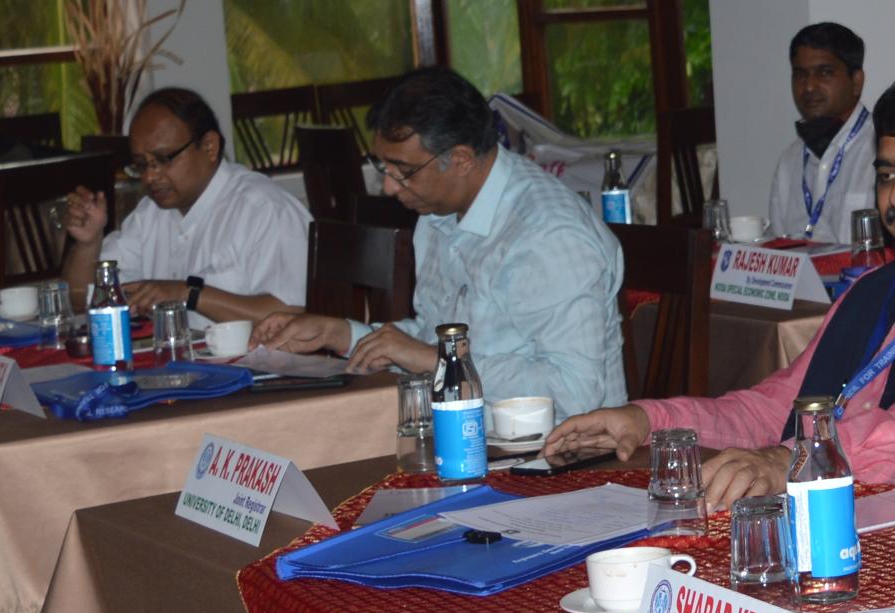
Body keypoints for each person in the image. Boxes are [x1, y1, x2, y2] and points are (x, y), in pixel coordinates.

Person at [542, 75, 895, 517]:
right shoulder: (875, 290)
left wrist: (796, 461)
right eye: (887, 175)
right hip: (868, 556)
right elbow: (776, 410)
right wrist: (649, 421)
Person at [251, 67, 624, 415]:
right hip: (463, 431)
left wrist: (438, 361)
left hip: (555, 449)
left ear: (460, 159)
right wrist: (340, 334)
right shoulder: (437, 214)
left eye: (404, 171)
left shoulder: (548, 235)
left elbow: (574, 393)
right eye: (383, 167)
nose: (388, 186)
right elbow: (429, 338)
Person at [60, 86, 306, 319]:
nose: (149, 177)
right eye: (141, 165)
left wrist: (188, 294)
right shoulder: (151, 213)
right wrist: (88, 244)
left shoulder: (264, 209)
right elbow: (80, 300)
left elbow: (291, 314)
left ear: (209, 147)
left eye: (164, 159)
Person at [764, 22, 876, 244]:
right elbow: (778, 243)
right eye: (800, 75)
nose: (809, 87)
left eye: (824, 73)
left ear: (856, 82)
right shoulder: (790, 159)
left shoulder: (880, 149)